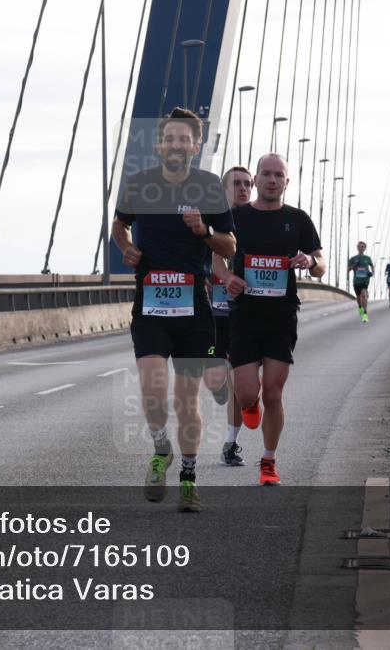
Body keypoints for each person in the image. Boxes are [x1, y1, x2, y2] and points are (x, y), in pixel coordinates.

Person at [112, 107, 237, 512]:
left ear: (196, 146)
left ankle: (188, 477)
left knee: (187, 401)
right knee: (152, 391)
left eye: (185, 139)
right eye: (170, 138)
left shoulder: (208, 187)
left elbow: (230, 246)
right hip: (149, 302)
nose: (177, 145)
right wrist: (126, 247)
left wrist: (203, 231)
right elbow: (118, 224)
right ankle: (161, 449)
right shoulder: (138, 184)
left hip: (193, 308)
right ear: (159, 143)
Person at [213, 153, 326, 486]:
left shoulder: (298, 219)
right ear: (257, 180)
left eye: (279, 175)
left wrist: (310, 260)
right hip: (244, 315)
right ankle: (250, 403)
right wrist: (226, 278)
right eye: (266, 174)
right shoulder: (234, 217)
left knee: (274, 395)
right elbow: (217, 259)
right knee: (247, 394)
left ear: (286, 182)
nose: (272, 180)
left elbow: (320, 263)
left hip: (281, 315)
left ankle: (268, 462)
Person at [204, 166, 253, 467]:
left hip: (245, 318)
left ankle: (230, 444)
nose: (244, 188)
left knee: (241, 385)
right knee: (215, 380)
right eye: (236, 184)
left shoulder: (259, 223)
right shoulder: (208, 221)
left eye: (248, 184)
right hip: (212, 316)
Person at [347, 242, 375, 323]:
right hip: (356, 281)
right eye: (359, 246)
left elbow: (372, 266)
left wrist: (372, 272)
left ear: (365, 248)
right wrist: (354, 265)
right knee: (358, 297)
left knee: (364, 295)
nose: (361, 248)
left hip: (365, 280)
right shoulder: (353, 258)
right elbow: (348, 270)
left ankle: (365, 315)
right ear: (357, 248)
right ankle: (360, 307)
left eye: (363, 247)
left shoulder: (367, 258)